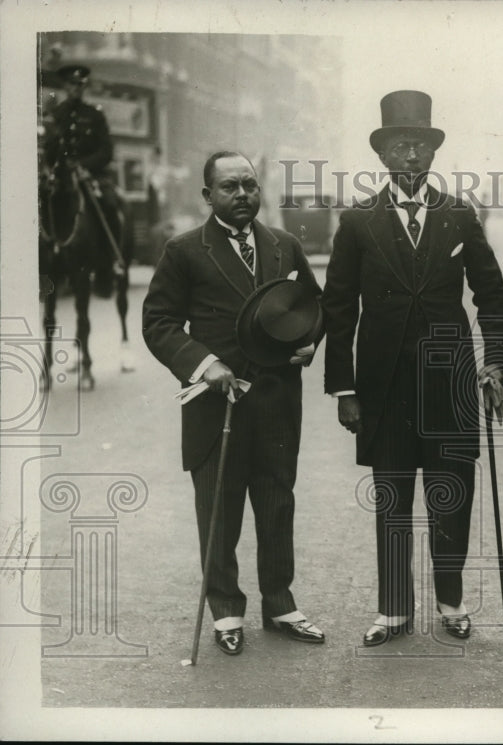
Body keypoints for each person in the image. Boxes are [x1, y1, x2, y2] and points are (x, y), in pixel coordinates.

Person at [322, 90, 503, 647]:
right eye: (399, 145)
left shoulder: (458, 214)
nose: (410, 155)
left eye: (420, 145)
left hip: (450, 380)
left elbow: (492, 295)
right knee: (393, 498)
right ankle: (395, 610)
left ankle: (450, 601)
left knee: (452, 493)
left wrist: (495, 363)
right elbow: (338, 307)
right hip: (383, 388)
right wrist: (345, 389)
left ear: (432, 153)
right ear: (382, 156)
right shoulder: (357, 221)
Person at [143, 151, 326, 656]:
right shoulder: (184, 250)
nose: (242, 194)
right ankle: (226, 609)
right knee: (219, 513)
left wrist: (311, 338)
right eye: (229, 187)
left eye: (249, 184)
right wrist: (204, 364)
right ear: (208, 196)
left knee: (276, 506)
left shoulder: (284, 246)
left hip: (275, 404)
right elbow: (158, 322)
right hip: (215, 406)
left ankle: (280, 603)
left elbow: (314, 305)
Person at [43, 64, 124, 297]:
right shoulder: (55, 115)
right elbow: (48, 149)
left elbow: (106, 150)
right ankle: (46, 263)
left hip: (91, 174)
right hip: (61, 175)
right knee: (42, 204)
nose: (75, 89)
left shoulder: (95, 115)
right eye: (71, 84)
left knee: (110, 203)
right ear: (65, 87)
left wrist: (84, 165)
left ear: (84, 86)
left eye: (79, 85)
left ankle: (108, 265)